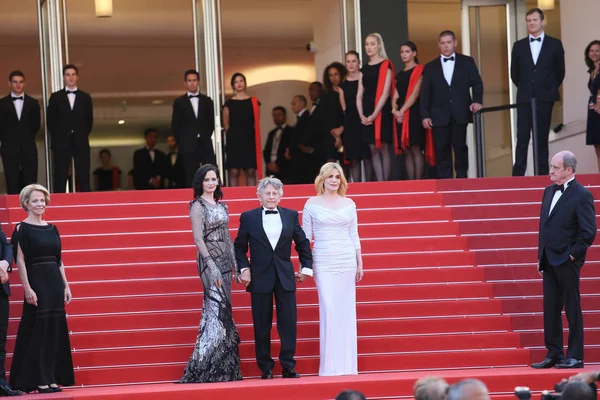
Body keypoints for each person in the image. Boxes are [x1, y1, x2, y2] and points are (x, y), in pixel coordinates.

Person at [234, 176, 313, 379]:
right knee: (261, 324)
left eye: (275, 193)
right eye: (267, 193)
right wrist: (244, 269)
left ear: (280, 196)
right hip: (259, 277)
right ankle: (265, 367)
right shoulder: (248, 217)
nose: (271, 197)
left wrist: (306, 269)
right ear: (259, 196)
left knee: (288, 323)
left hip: (285, 276)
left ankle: (288, 365)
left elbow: (302, 243)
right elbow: (239, 247)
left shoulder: (290, 215)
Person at [532, 151, 596, 369]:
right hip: (549, 259)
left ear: (569, 170)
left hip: (567, 260)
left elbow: (588, 232)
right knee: (550, 307)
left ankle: (575, 356)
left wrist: (573, 255)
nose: (551, 171)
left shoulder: (582, 195)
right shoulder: (548, 192)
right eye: (551, 166)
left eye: (556, 167)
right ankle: (554, 353)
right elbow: (544, 226)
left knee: (572, 308)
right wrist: (541, 255)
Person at [179, 164, 242, 383]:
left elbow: (228, 236)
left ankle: (224, 368)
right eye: (207, 179)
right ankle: (206, 368)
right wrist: (211, 264)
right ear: (201, 182)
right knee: (215, 310)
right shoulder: (197, 206)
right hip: (208, 262)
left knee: (225, 313)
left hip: (225, 260)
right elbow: (198, 238)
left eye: (214, 179)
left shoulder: (223, 206)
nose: (211, 183)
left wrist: (235, 264)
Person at [10, 184, 74, 393]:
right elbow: (20, 261)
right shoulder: (21, 229)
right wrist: (27, 288)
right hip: (37, 282)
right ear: (26, 204)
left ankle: (51, 377)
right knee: (39, 331)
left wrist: (66, 285)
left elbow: (59, 260)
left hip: (54, 282)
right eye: (35, 201)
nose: (40, 204)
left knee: (54, 330)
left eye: (42, 200)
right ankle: (38, 378)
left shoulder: (52, 228)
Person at [302, 162, 363, 376]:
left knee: (346, 311)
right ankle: (329, 367)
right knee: (329, 308)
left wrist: (359, 261)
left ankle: (347, 366)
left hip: (346, 259)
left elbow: (354, 234)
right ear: (323, 179)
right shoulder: (311, 203)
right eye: (331, 177)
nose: (334, 180)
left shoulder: (349, 204)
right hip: (323, 259)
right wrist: (305, 266)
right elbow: (305, 239)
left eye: (338, 177)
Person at [420, 30, 483, 179]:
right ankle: (445, 182)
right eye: (443, 43)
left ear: (455, 43)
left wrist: (477, 101)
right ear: (439, 45)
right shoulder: (430, 67)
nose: (446, 46)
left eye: (449, 42)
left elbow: (477, 83)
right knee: (441, 150)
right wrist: (425, 115)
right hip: (438, 115)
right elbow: (425, 93)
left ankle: (462, 179)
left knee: (460, 147)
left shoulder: (467, 62)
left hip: (460, 112)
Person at [511, 8, 565, 176]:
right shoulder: (518, 46)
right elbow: (515, 73)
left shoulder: (555, 44)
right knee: (522, 137)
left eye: (534, 20)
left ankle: (542, 174)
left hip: (545, 97)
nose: (531, 23)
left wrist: (547, 88)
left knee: (541, 138)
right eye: (529, 20)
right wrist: (527, 88)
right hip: (525, 98)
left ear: (542, 21)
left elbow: (560, 71)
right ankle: (518, 174)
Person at [47, 64, 94, 193]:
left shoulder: (85, 97)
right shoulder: (55, 97)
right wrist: (60, 136)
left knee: (84, 174)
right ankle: (59, 205)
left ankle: (87, 203)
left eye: (73, 74)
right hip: (61, 142)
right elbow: (51, 121)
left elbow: (89, 121)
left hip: (80, 141)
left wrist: (81, 134)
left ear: (77, 77)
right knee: (60, 175)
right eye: (68, 75)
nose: (71, 77)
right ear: (63, 77)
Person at [392, 41, 435, 180]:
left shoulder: (420, 70)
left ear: (414, 53)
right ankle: (412, 183)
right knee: (407, 150)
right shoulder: (399, 74)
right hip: (401, 116)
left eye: (407, 51)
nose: (404, 54)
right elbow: (395, 95)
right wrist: (395, 110)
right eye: (402, 52)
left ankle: (419, 182)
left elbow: (415, 94)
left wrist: (401, 111)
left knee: (416, 148)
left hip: (414, 114)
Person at [357, 33, 396, 181]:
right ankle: (379, 182)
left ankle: (385, 183)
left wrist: (374, 115)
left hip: (381, 112)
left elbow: (385, 94)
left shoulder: (386, 65)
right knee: (372, 148)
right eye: (367, 44)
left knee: (383, 148)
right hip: (366, 112)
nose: (369, 47)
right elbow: (359, 94)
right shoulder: (364, 69)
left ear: (379, 45)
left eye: (372, 44)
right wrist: (362, 114)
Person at [171, 69, 216, 187]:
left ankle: (212, 200)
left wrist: (205, 135)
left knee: (210, 171)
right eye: (189, 81)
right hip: (187, 144)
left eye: (194, 80)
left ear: (198, 82)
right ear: (185, 83)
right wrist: (182, 141)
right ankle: (192, 201)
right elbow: (175, 124)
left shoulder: (207, 101)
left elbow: (211, 122)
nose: (192, 83)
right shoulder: (179, 102)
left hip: (204, 142)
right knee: (189, 174)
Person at [0, 71, 40, 195]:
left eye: (21, 82)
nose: (18, 85)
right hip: (9, 147)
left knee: (30, 180)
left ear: (24, 83)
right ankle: (14, 209)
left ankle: (30, 207)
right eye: (15, 82)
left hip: (28, 146)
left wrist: (25, 138)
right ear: (9, 83)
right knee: (11, 179)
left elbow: (36, 125)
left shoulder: (33, 103)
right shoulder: (1, 104)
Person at [339, 51, 371, 182]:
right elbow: (344, 108)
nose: (351, 64)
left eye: (354, 61)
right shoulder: (343, 84)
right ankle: (357, 188)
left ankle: (371, 186)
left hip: (364, 120)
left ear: (359, 62)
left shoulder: (365, 79)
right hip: (351, 123)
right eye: (348, 61)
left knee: (368, 156)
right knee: (354, 159)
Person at [224, 73, 261, 186]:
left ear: (245, 83)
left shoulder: (254, 102)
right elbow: (226, 126)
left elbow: (256, 122)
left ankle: (252, 199)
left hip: (249, 139)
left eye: (241, 81)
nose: (239, 83)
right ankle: (233, 201)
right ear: (233, 85)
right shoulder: (228, 104)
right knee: (234, 171)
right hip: (234, 141)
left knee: (250, 171)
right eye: (236, 82)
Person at [0, 228, 23, 396]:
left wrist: (5, 263)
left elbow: (7, 245)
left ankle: (1, 383)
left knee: (0, 341)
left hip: (1, 288)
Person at [321, 63, 347, 163]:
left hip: (346, 131)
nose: (333, 78)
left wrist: (342, 129)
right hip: (330, 134)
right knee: (330, 165)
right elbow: (324, 117)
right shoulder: (325, 95)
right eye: (331, 75)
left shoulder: (347, 91)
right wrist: (336, 136)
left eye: (336, 74)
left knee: (347, 166)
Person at [287, 95, 313, 184]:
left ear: (302, 104)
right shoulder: (301, 118)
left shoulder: (306, 117)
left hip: (302, 158)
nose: (292, 106)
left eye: (294, 104)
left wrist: (300, 146)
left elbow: (304, 136)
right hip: (298, 157)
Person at [263, 106, 292, 181]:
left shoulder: (291, 131)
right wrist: (269, 163)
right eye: (274, 115)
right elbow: (266, 150)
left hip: (284, 169)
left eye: (279, 115)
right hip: (270, 170)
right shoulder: (271, 133)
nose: (276, 117)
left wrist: (277, 165)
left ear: (285, 116)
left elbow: (289, 151)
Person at [585, 40, 600, 171]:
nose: (594, 53)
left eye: (597, 50)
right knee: (597, 146)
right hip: (593, 110)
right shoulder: (592, 70)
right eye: (591, 50)